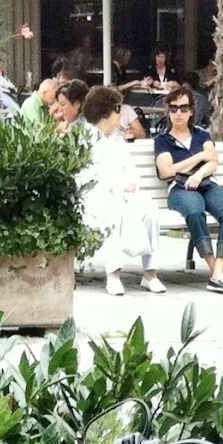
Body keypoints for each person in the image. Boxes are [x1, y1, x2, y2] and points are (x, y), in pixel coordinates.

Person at [79, 86, 167, 298]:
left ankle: (150, 273)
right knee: (113, 210)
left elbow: (130, 169)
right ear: (105, 113)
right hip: (94, 199)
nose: (121, 115)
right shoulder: (84, 139)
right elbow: (84, 177)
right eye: (117, 110)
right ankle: (113, 274)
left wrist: (131, 184)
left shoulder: (117, 139)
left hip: (123, 194)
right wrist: (117, 188)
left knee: (150, 209)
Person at [155, 86, 223, 293]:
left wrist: (199, 173)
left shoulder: (201, 135)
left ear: (191, 111)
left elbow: (213, 161)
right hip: (180, 188)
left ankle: (218, 272)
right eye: (173, 109)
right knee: (194, 212)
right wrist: (199, 157)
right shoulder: (163, 140)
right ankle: (215, 273)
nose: (178, 114)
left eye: (183, 108)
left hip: (206, 183)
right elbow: (167, 171)